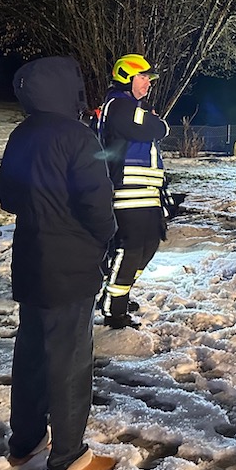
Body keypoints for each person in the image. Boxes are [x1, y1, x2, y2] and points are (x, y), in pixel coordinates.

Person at [0, 56, 118, 470]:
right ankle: (69, 459)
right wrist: (106, 237)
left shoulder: (21, 134)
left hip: (31, 258)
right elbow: (97, 203)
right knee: (70, 360)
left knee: (31, 352)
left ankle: (25, 443)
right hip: (70, 263)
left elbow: (8, 197)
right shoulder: (77, 136)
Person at [95, 54, 170, 330]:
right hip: (129, 191)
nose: (148, 83)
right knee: (131, 249)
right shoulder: (119, 106)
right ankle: (114, 309)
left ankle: (119, 292)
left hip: (146, 192)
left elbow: (153, 128)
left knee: (148, 246)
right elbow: (157, 128)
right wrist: (156, 123)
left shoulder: (132, 107)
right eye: (143, 77)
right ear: (126, 76)